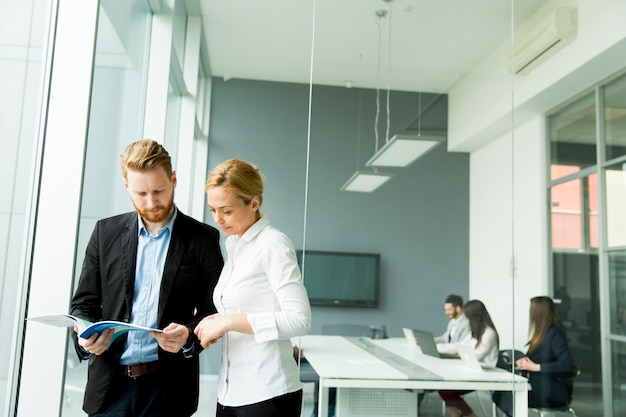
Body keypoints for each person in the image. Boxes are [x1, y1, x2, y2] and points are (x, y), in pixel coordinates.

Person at [69, 139, 224, 417]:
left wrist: (188, 333)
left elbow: (216, 310)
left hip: (167, 391)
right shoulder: (105, 234)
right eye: (141, 193)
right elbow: (83, 304)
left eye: (159, 191)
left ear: (174, 180)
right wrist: (85, 337)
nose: (151, 202)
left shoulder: (203, 239)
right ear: (127, 186)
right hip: (109, 389)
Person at [195, 158, 312, 417]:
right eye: (213, 210)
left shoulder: (273, 244)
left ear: (254, 203)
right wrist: (218, 322)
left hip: (268, 392)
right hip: (231, 391)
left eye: (226, 211)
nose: (218, 219)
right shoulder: (235, 245)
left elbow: (300, 320)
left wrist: (228, 322)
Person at [494, 296, 575, 416]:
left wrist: (536, 367)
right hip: (539, 387)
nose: (529, 314)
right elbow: (535, 358)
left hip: (549, 391)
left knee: (503, 397)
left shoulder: (555, 334)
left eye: (531, 311)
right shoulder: (543, 334)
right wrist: (525, 361)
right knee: (500, 396)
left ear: (538, 313)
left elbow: (566, 364)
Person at [438, 299, 500, 417]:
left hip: (483, 374)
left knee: (447, 391)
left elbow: (477, 355)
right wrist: (443, 348)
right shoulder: (474, 332)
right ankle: (456, 413)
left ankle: (470, 415)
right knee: (443, 388)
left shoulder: (489, 333)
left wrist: (458, 352)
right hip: (470, 370)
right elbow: (461, 345)